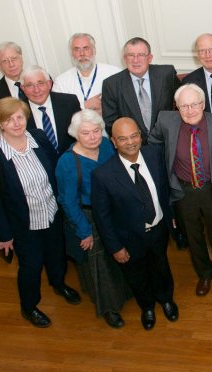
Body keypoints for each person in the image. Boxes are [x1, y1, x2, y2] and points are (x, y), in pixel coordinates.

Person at [0, 97, 81, 328]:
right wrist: (4, 235)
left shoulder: (39, 137)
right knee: (31, 266)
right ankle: (29, 306)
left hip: (52, 213)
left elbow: (55, 170)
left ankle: (58, 283)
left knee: (57, 254)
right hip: (25, 224)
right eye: (8, 119)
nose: (16, 123)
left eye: (19, 117)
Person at [148, 84, 212, 299]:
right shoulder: (165, 121)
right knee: (193, 237)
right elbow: (152, 144)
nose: (190, 110)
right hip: (183, 192)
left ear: (203, 104)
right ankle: (205, 274)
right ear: (176, 107)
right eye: (184, 106)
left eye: (195, 104)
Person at [91, 117, 179, 330]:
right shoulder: (103, 175)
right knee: (137, 274)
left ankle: (166, 299)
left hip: (158, 229)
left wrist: (172, 216)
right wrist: (115, 247)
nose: (130, 142)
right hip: (129, 238)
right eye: (123, 139)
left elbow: (165, 189)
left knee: (161, 266)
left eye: (134, 136)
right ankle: (147, 306)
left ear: (140, 135)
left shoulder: (155, 155)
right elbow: (102, 217)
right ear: (113, 141)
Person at [55, 109, 132, 328]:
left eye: (96, 131)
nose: (93, 137)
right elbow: (68, 201)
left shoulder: (107, 146)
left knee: (119, 253)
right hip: (88, 215)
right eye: (86, 133)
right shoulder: (67, 162)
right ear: (75, 134)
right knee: (100, 264)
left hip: (114, 211)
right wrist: (84, 230)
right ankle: (109, 308)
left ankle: (124, 293)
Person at [101, 37, 180, 142]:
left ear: (150, 58)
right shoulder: (111, 84)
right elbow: (111, 123)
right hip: (134, 146)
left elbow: (182, 102)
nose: (135, 60)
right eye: (131, 55)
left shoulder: (166, 74)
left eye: (141, 55)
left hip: (168, 140)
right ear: (125, 59)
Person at [52, 33, 122, 114]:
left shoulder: (114, 73)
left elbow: (126, 103)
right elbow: (58, 113)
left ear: (94, 50)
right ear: (71, 53)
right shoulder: (61, 81)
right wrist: (84, 106)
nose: (82, 54)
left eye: (86, 48)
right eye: (77, 49)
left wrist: (106, 109)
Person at [20, 65, 81, 154]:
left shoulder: (70, 102)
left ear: (49, 84)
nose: (36, 90)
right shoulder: (18, 111)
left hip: (73, 161)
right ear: (23, 88)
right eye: (29, 85)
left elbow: (81, 134)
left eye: (40, 83)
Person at [0, 41, 27, 137]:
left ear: (21, 58)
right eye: (5, 61)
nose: (11, 64)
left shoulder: (41, 80)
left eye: (14, 58)